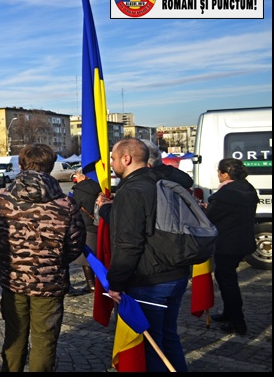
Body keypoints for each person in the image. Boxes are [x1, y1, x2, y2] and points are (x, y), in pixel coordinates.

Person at [0, 144, 86, 372]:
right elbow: (75, 245)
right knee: (44, 340)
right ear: (50, 167)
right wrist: (53, 262)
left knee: (14, 335)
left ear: (21, 165)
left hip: (13, 280)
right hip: (49, 283)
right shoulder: (65, 204)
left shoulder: (0, 199)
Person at [96, 138, 189, 372]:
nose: (113, 163)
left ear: (126, 159)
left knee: (151, 346)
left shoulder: (132, 190)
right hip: (175, 272)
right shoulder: (160, 181)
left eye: (114, 158)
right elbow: (143, 220)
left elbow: (129, 242)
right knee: (168, 338)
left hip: (150, 279)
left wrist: (115, 284)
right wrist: (108, 208)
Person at [204, 158, 258, 336]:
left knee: (228, 282)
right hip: (243, 242)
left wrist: (206, 208)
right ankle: (229, 313)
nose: (218, 175)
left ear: (225, 174)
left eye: (219, 172)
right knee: (224, 276)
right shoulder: (247, 188)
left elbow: (210, 217)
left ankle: (237, 322)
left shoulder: (224, 196)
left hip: (227, 245)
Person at [69, 167, 100, 296]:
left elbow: (74, 207)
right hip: (100, 225)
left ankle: (91, 284)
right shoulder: (98, 186)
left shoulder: (79, 190)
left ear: (82, 176)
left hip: (87, 226)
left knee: (87, 258)